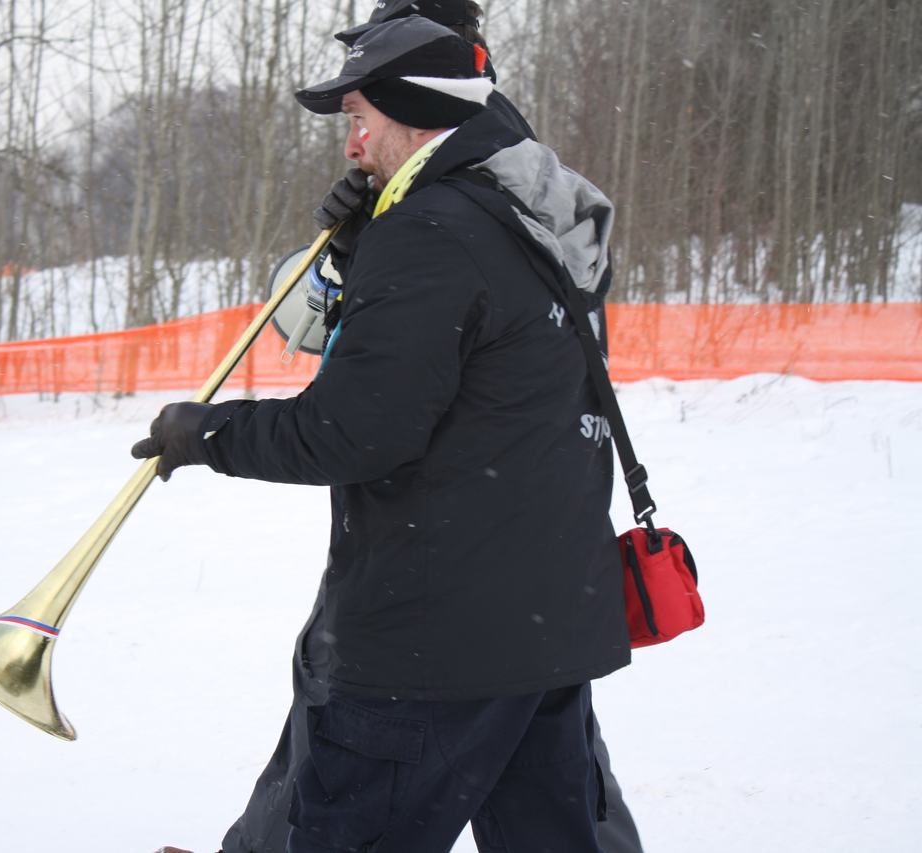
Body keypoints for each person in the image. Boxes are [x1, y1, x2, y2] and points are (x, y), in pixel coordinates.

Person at [137, 15, 630, 853]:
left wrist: (206, 434)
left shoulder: (433, 231)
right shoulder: (524, 220)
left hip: (432, 641)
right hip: (545, 619)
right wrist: (369, 255)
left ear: (417, 114)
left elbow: (351, 431)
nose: (350, 145)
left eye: (359, 118)